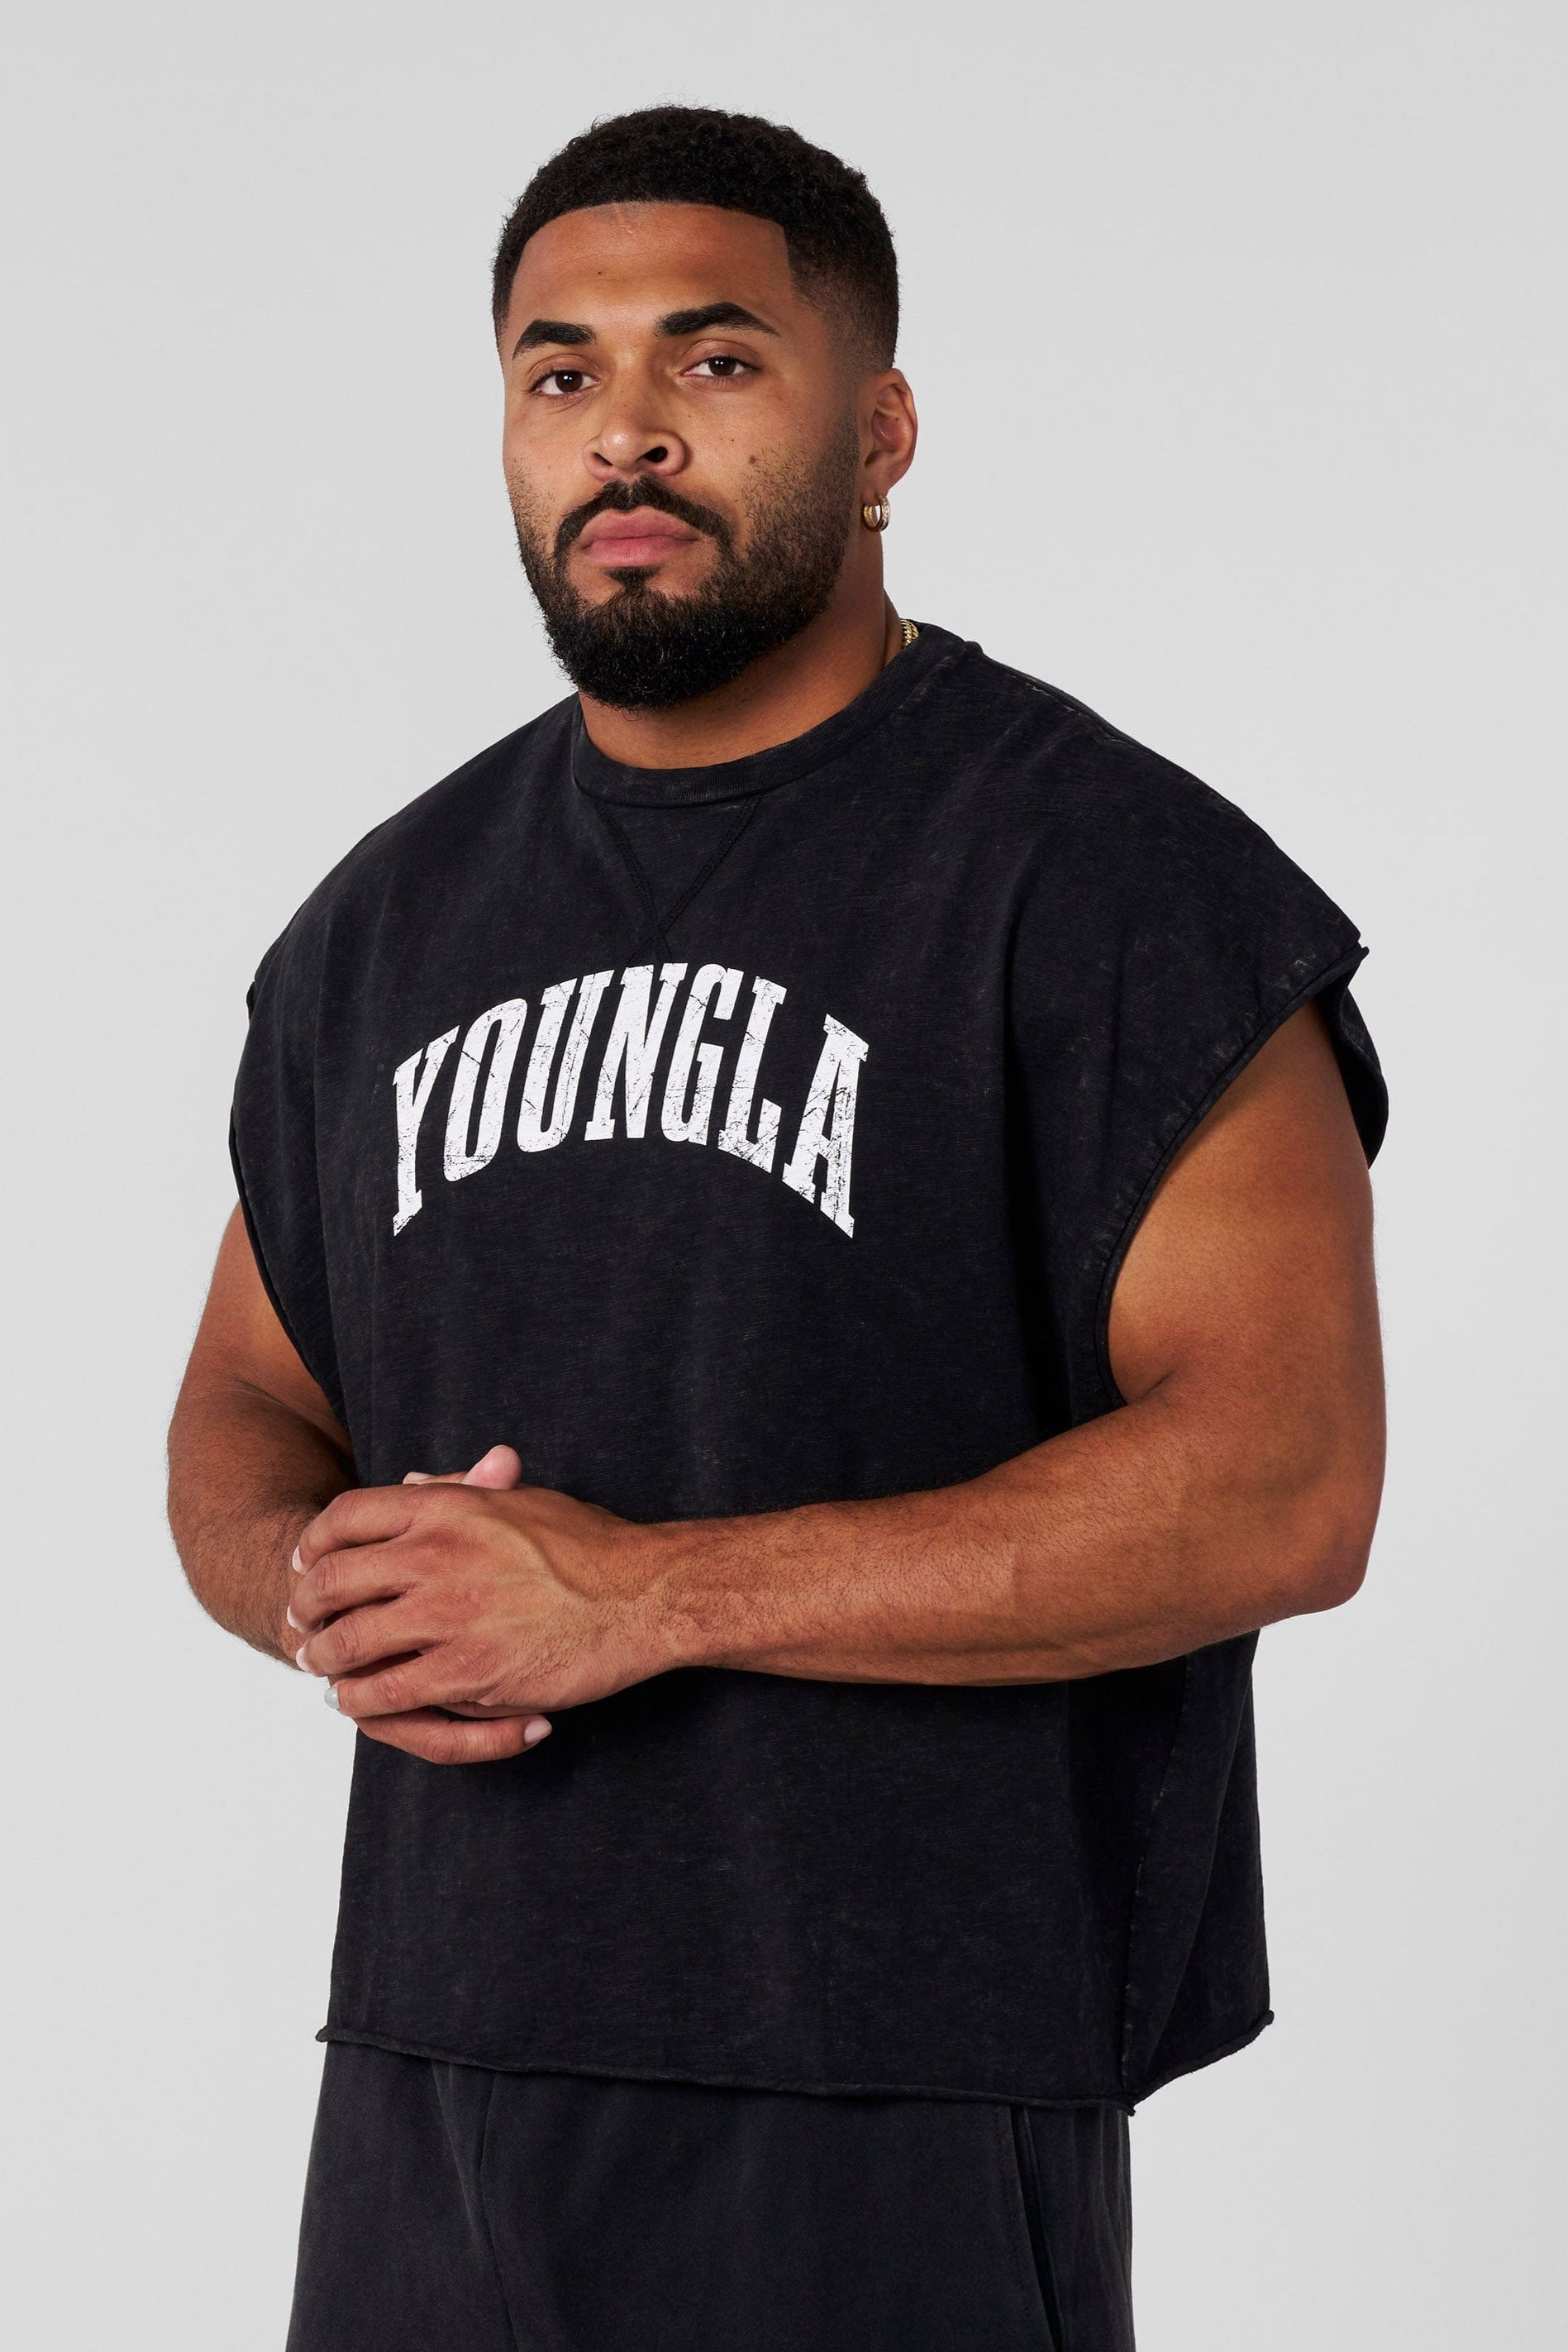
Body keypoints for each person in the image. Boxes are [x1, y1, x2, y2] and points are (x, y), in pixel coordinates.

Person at [168, 105, 1387, 2352]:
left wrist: (640, 1597)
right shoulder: (383, 922)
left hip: (893, 2083)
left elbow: (1284, 1483)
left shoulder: (1105, 877)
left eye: (713, 361)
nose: (624, 430)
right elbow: (250, 1398)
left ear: (881, 428)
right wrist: (328, 1588)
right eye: (559, 372)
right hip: (430, 2072)